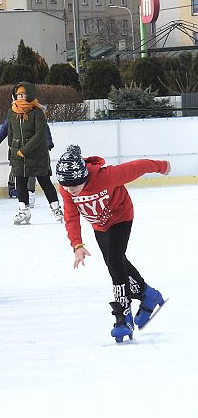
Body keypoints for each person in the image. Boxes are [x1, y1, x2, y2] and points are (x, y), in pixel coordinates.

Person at [56, 144, 169, 342]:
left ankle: (123, 316)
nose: (69, 191)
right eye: (65, 186)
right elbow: (71, 216)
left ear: (84, 178)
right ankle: (147, 294)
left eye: (74, 186)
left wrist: (161, 166)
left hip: (121, 216)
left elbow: (137, 167)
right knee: (114, 261)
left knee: (115, 261)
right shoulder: (66, 189)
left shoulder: (105, 176)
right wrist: (77, 244)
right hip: (99, 225)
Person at [5, 81, 63, 225]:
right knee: (20, 182)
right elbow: (10, 132)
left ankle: (56, 209)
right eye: (18, 94)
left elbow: (39, 135)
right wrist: (12, 150)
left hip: (37, 154)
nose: (20, 97)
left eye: (23, 94)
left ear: (29, 94)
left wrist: (25, 150)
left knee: (45, 181)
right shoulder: (12, 112)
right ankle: (24, 211)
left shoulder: (37, 112)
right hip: (18, 154)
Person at [0, 116, 54, 206]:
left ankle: (30, 193)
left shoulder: (36, 114)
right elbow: (5, 128)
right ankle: (15, 191)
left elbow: (44, 128)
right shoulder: (12, 114)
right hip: (17, 149)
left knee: (32, 172)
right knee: (17, 171)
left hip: (33, 149)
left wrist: (48, 142)